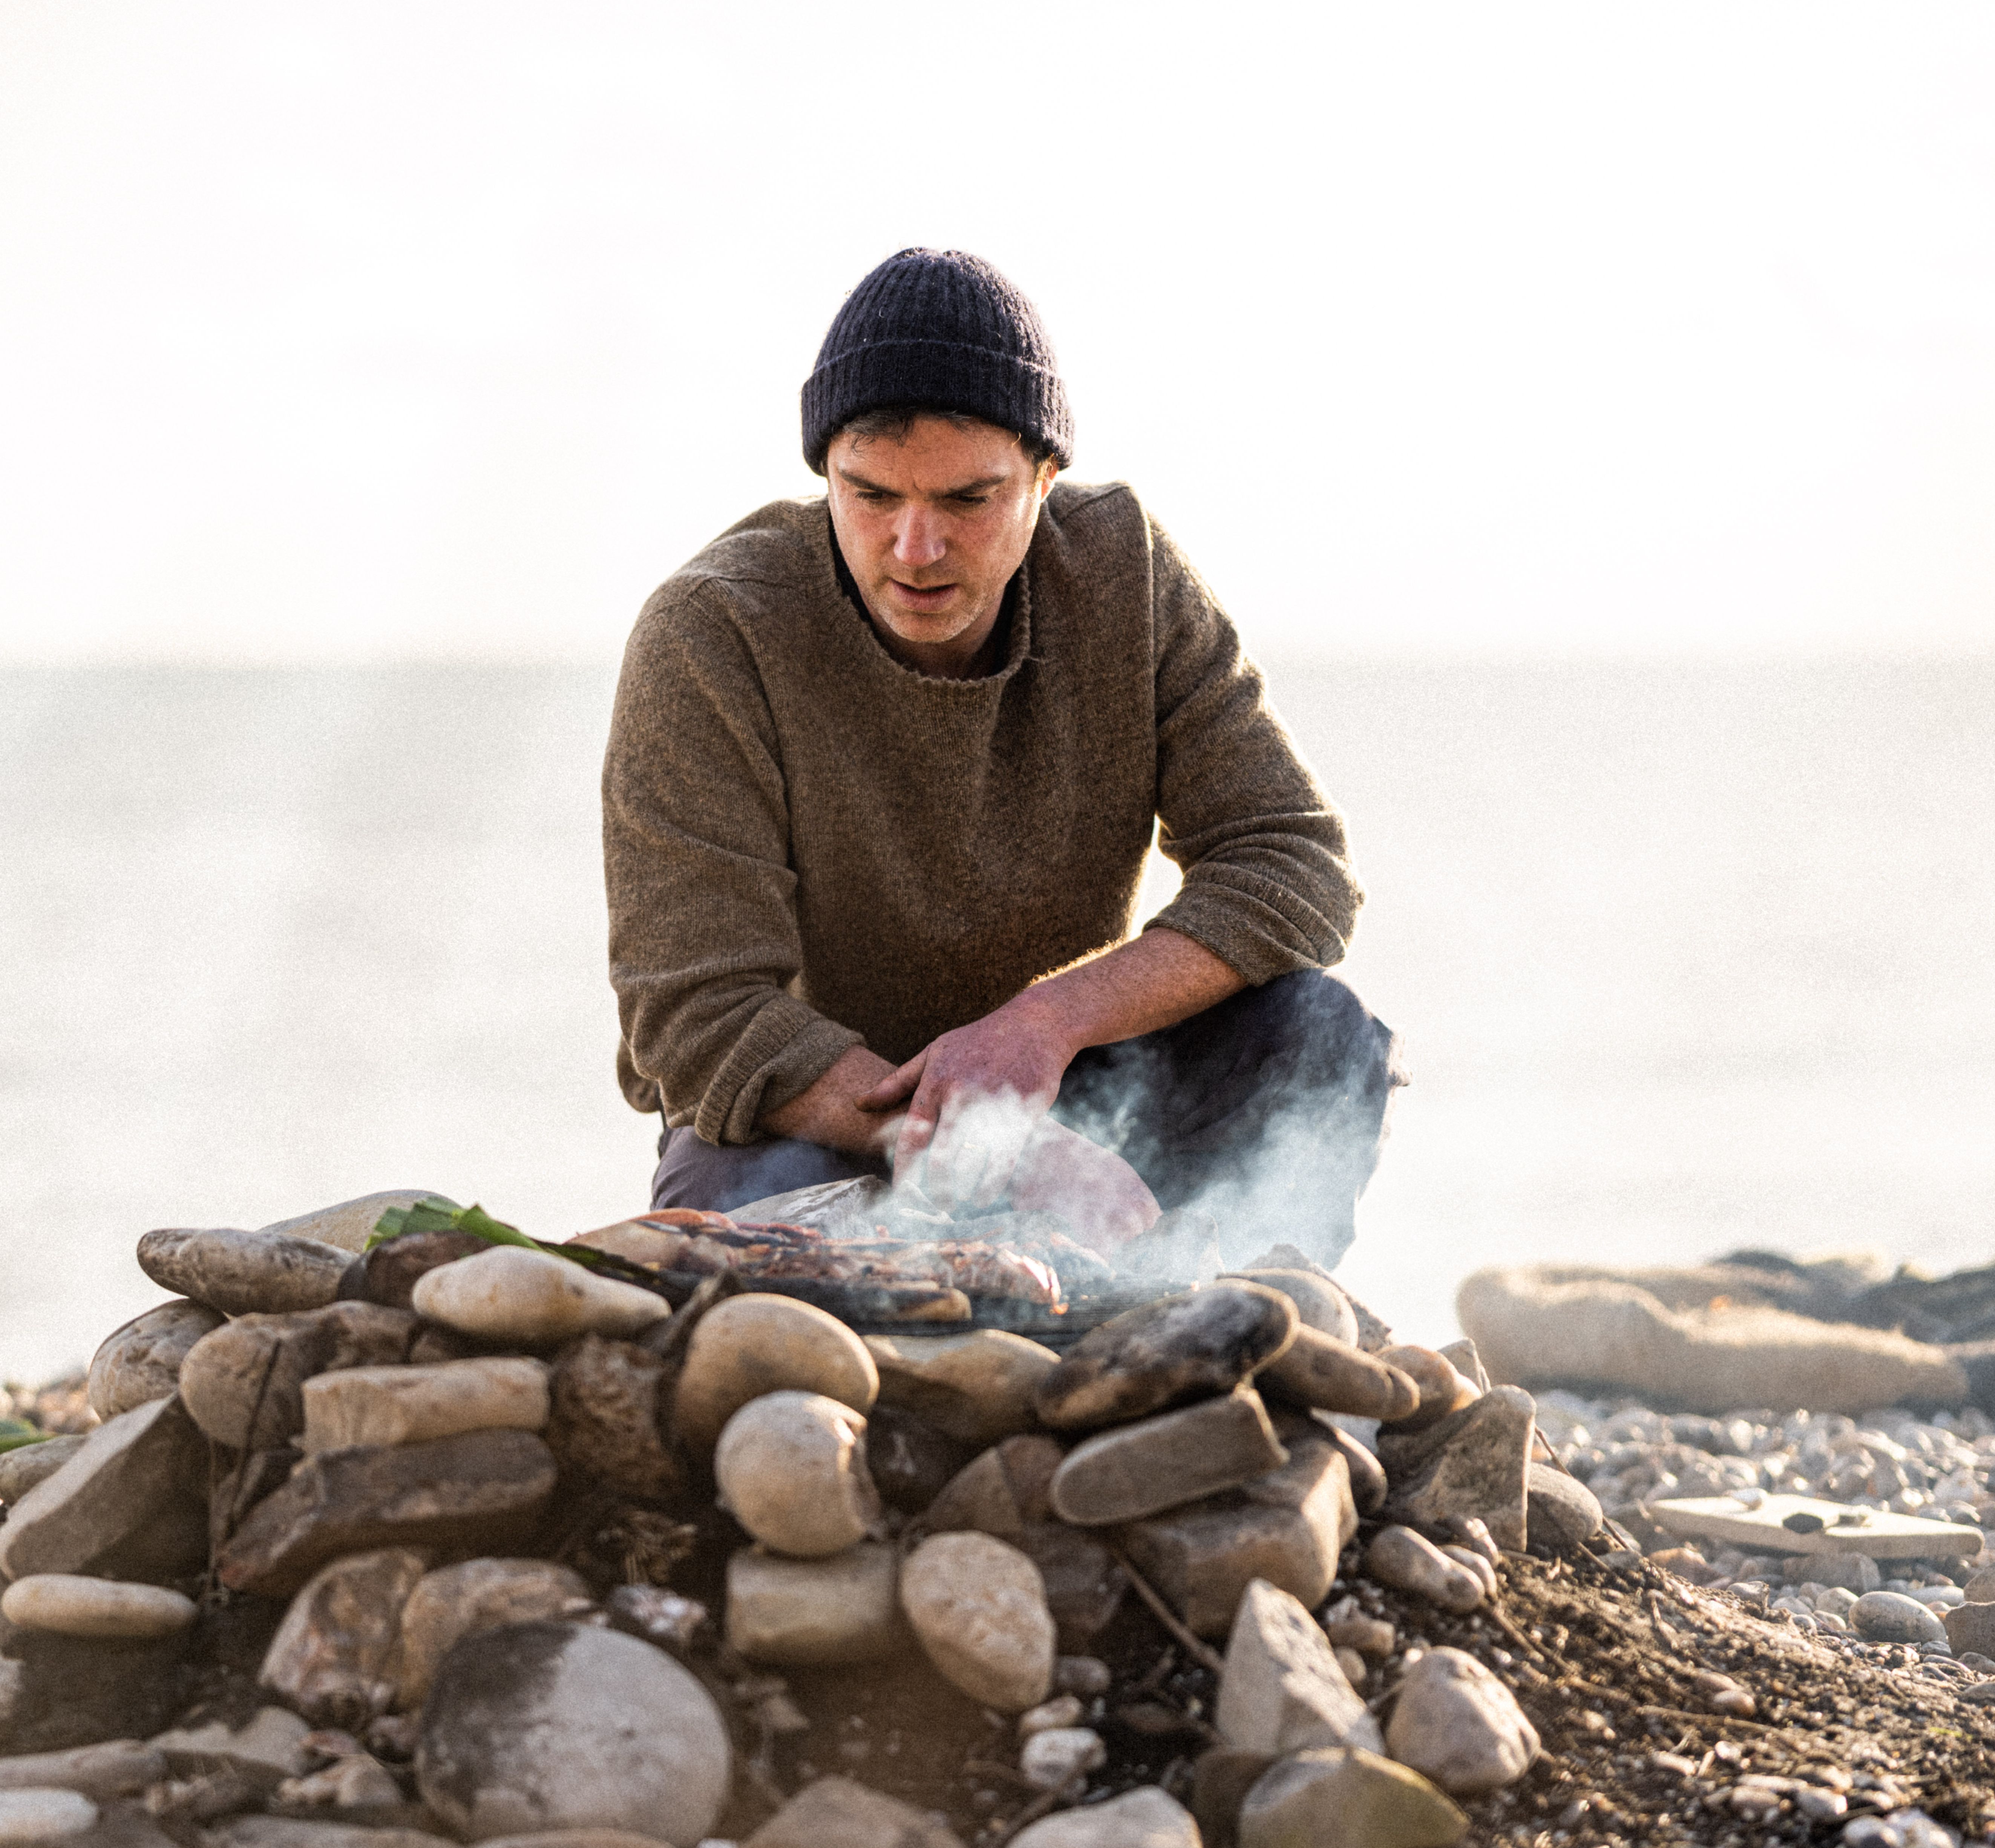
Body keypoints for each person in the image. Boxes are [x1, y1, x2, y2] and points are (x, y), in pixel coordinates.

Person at [601, 248, 1401, 1268]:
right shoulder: (712, 632)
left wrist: (1046, 1021)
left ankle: (1252, 1340)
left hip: (1073, 1100)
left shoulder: (1124, 575)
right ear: (824, 475)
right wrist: (993, 1151)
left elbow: (1294, 865)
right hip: (824, 1125)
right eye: (871, 494)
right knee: (744, 1228)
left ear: (1044, 478)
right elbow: (694, 1018)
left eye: (968, 501)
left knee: (1318, 1036)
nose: (914, 547)